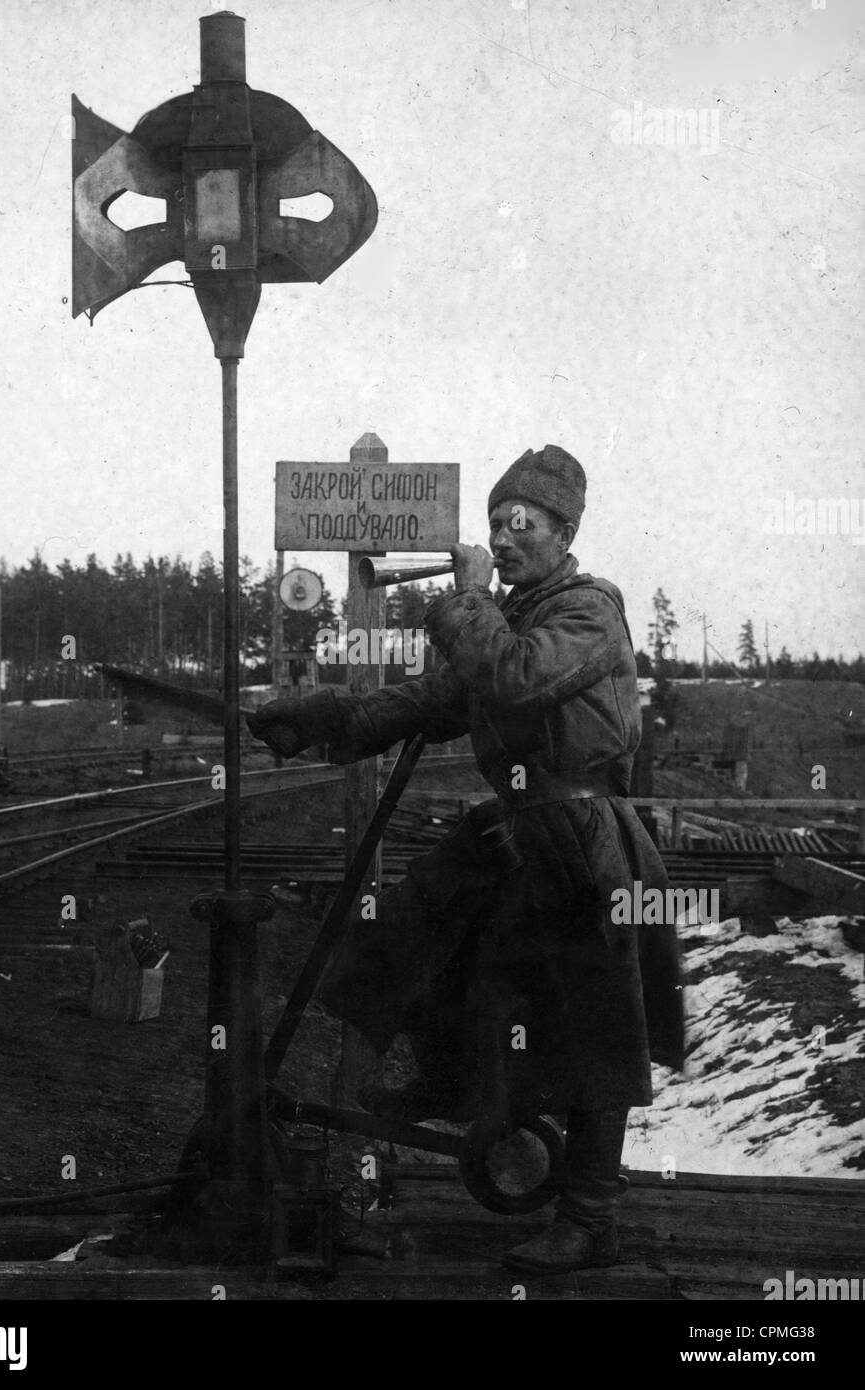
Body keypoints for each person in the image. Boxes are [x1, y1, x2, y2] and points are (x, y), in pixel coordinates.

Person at [248, 444, 684, 1273]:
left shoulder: (587, 612)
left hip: (588, 847)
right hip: (523, 835)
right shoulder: (514, 617)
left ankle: (589, 1219)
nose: (504, 536)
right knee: (422, 935)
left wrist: (471, 597)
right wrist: (324, 720)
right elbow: (435, 698)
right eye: (495, 523)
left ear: (565, 533)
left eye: (523, 524)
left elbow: (514, 680)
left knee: (598, 1031)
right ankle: (447, 1081)